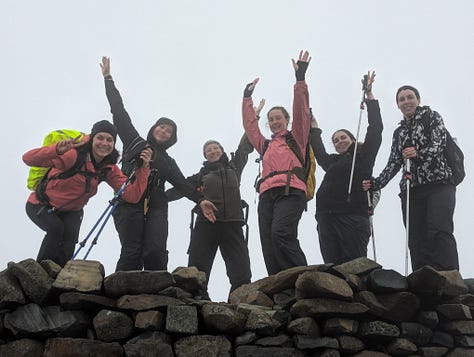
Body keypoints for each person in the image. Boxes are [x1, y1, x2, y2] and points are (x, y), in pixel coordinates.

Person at [100, 57, 216, 272]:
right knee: (131, 251)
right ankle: (121, 298)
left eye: (168, 131)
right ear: (154, 128)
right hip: (128, 200)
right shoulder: (135, 142)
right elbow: (119, 112)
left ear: (172, 138)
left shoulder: (168, 162)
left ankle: (157, 297)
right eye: (161, 127)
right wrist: (108, 79)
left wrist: (200, 201)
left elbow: (182, 184)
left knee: (155, 250)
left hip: (157, 204)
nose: (163, 131)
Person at [23, 120, 152, 267]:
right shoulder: (73, 156)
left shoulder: (108, 168)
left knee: (68, 243)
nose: (104, 143)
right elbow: (28, 158)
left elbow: (132, 196)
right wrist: (56, 150)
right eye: (100, 138)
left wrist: (143, 168)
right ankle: (38, 274)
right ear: (91, 139)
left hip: (72, 212)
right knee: (56, 229)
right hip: (40, 204)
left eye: (110, 140)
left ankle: (57, 280)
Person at [363, 85, 459, 271]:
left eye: (409, 97)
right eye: (402, 99)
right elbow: (393, 163)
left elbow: (438, 144)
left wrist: (418, 153)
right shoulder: (399, 133)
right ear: (398, 105)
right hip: (411, 189)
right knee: (416, 237)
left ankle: (449, 275)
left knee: (439, 230)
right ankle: (421, 277)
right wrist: (376, 183)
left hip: (439, 183)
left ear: (418, 100)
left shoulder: (432, 117)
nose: (406, 102)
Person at [242, 50, 311, 275]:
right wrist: (246, 98)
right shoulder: (265, 145)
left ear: (286, 120)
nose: (273, 122)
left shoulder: (296, 137)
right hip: (267, 193)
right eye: (270, 120)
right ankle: (278, 282)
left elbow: (301, 111)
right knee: (268, 240)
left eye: (278, 118)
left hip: (291, 191)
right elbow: (250, 128)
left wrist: (300, 80)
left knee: (281, 233)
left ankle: (303, 277)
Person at [166, 132, 255, 296]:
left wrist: (252, 117)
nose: (213, 151)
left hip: (232, 223)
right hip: (206, 223)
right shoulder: (200, 175)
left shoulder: (234, 167)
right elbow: (180, 188)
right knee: (198, 266)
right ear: (205, 156)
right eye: (208, 150)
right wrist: (158, 199)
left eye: (216, 148)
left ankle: (240, 299)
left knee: (240, 268)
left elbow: (244, 147)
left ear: (222, 151)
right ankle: (197, 299)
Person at [311, 71, 382, 265]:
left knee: (354, 265)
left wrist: (369, 96)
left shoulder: (364, 156)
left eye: (343, 137)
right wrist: (314, 129)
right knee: (332, 265)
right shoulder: (332, 162)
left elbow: (376, 129)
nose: (339, 141)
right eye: (335, 140)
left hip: (353, 215)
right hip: (326, 215)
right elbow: (318, 151)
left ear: (352, 139)